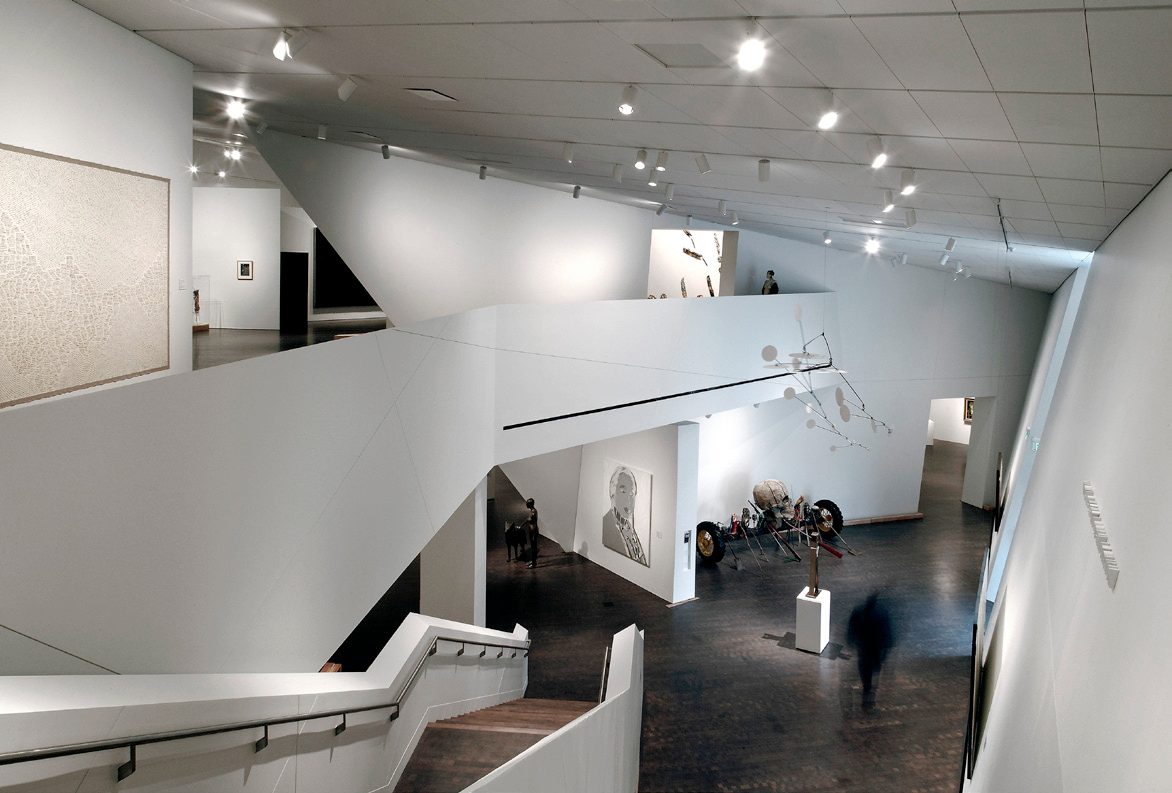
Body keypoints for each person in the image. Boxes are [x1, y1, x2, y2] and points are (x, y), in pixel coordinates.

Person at [846, 592, 895, 710]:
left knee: (865, 671)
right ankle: (869, 693)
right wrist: (887, 646)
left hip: (864, 648)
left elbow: (852, 627)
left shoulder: (859, 611)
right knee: (874, 671)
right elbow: (886, 630)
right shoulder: (881, 613)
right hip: (875, 648)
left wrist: (851, 640)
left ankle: (867, 691)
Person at [522, 498, 539, 568]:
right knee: (533, 547)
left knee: (534, 548)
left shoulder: (533, 512)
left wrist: (521, 526)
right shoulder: (532, 511)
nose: (526, 504)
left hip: (533, 531)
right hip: (532, 530)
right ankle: (533, 561)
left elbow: (529, 520)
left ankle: (534, 564)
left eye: (527, 503)